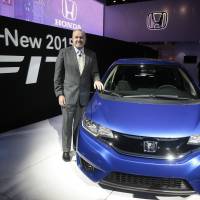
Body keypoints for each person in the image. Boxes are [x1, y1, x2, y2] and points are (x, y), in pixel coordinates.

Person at [54, 29, 103, 162]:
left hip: (83, 97)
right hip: (68, 96)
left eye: (81, 37)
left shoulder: (91, 55)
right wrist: (59, 94)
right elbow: (57, 76)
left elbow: (95, 72)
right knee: (67, 125)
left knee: (78, 125)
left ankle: (76, 146)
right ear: (72, 39)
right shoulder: (64, 53)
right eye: (76, 37)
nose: (78, 40)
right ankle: (65, 149)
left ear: (85, 39)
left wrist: (97, 79)